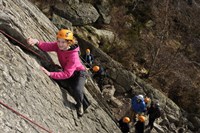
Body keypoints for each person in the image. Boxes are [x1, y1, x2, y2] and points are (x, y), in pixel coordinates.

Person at [27, 29, 88, 116]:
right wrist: (36, 41)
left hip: (80, 73)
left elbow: (67, 74)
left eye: (63, 42)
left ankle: (80, 105)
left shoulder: (73, 56)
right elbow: (46, 46)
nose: (60, 44)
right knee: (70, 86)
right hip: (70, 71)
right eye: (58, 41)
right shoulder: (58, 46)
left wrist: (50, 74)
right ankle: (85, 103)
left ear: (69, 42)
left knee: (77, 89)